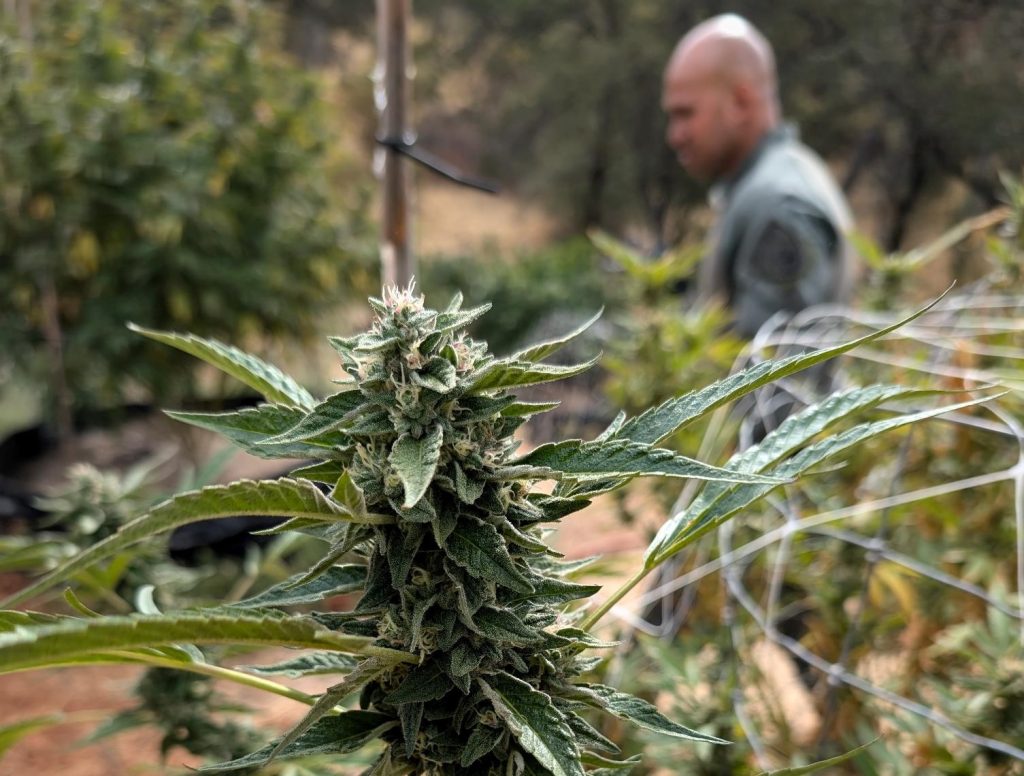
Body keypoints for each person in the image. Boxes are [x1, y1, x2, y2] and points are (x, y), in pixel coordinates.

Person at [662, 14, 858, 337]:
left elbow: (774, 375)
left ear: (740, 102)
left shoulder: (777, 202)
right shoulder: (766, 185)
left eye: (685, 113)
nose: (675, 135)